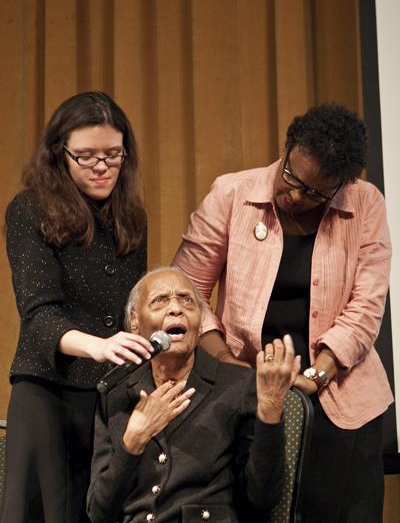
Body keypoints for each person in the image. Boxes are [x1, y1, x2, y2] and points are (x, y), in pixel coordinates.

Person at [172, 103, 393, 523]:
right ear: (287, 148)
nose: (294, 194)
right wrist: (227, 364)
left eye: (314, 192)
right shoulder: (232, 194)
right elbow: (186, 292)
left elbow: (365, 308)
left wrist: (319, 373)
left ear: (341, 186)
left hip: (340, 401)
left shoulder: (365, 205)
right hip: (245, 396)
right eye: (292, 176)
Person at [1, 92, 155, 523]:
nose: (102, 167)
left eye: (113, 154)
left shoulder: (132, 218)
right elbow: (38, 315)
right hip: (47, 392)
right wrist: (99, 346)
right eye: (86, 157)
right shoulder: (29, 209)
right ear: (59, 154)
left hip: (110, 397)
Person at [87, 266, 300, 523]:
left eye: (187, 300)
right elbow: (99, 513)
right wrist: (132, 442)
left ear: (200, 323)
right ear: (135, 321)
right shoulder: (116, 394)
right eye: (159, 301)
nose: (176, 309)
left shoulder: (237, 386)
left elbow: (262, 497)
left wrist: (270, 409)